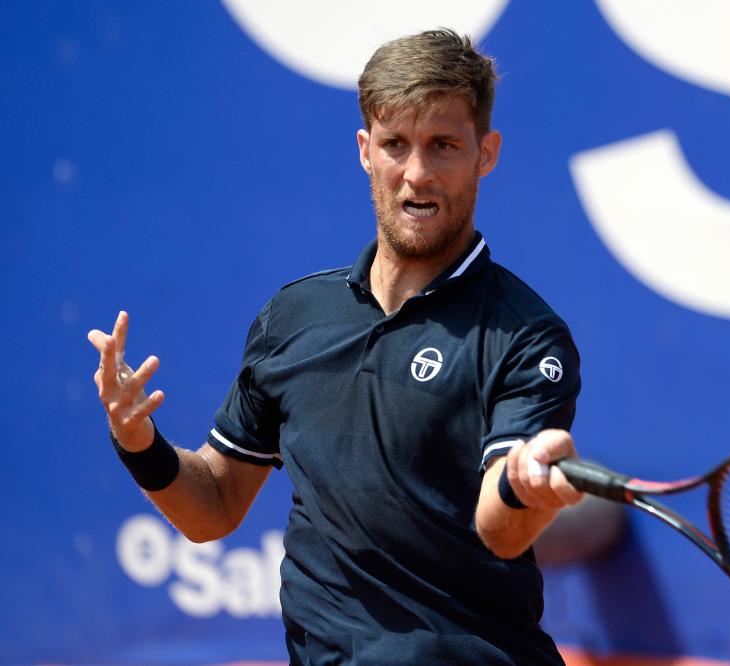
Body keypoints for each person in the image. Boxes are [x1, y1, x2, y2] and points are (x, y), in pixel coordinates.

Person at [89, 29, 583, 665]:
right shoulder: (295, 317)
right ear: (364, 151)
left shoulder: (526, 336)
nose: (417, 173)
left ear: (486, 153)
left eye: (444, 146)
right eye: (395, 145)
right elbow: (212, 507)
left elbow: (501, 527)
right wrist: (139, 444)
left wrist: (520, 484)